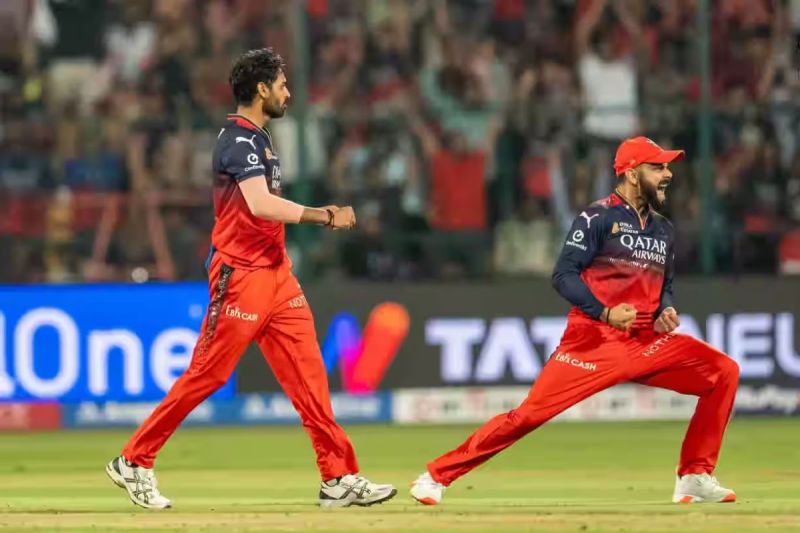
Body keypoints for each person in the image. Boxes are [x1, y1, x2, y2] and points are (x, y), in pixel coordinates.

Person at [106, 48, 397, 509]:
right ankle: (134, 460)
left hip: (277, 277)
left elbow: (260, 213)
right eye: (282, 83)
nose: (288, 91)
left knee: (310, 377)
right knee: (208, 373)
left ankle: (338, 477)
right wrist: (324, 215)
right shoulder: (238, 140)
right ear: (261, 89)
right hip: (240, 276)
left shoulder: (259, 138)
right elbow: (260, 205)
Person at [410, 136, 740, 505]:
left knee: (723, 372)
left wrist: (665, 309)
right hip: (595, 340)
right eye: (658, 167)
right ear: (632, 174)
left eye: (667, 167)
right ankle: (436, 476)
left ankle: (695, 474)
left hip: (648, 341)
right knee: (527, 417)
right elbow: (564, 275)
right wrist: (606, 312)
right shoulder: (597, 217)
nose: (668, 174)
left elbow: (666, 284)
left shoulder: (663, 229)